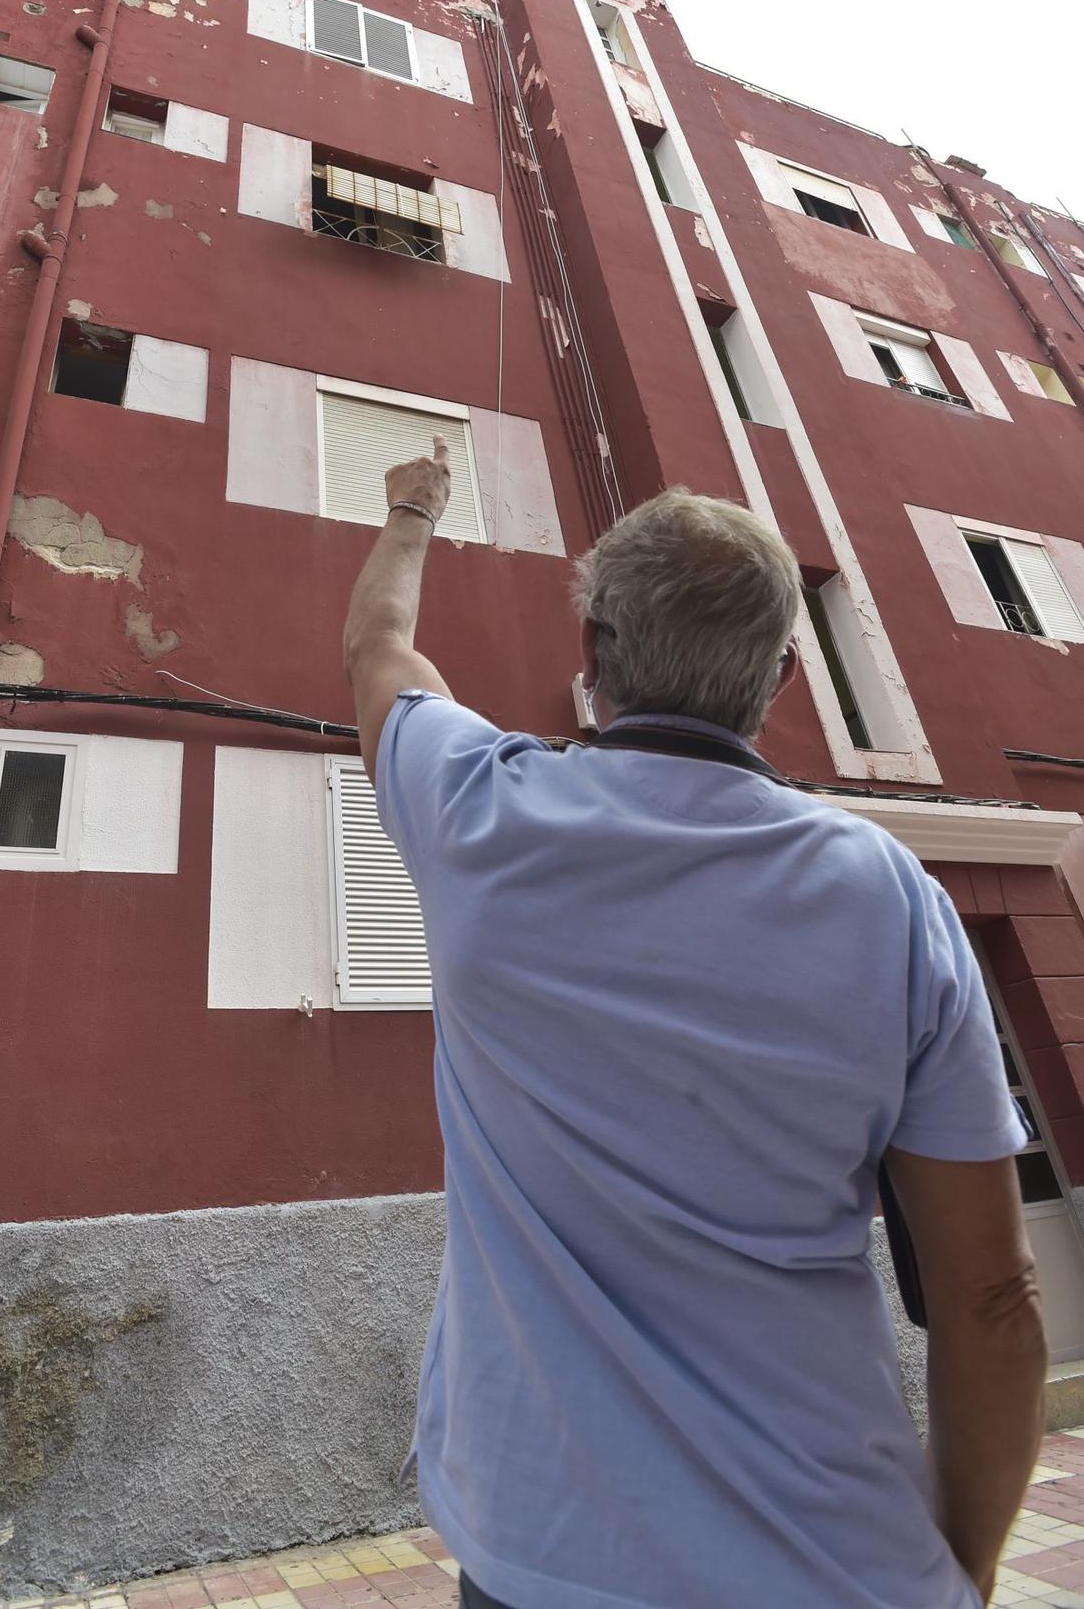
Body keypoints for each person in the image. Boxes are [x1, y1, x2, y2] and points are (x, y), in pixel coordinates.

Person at [342, 442, 1046, 1609]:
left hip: (540, 1562)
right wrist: (959, 1574)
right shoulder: (888, 894)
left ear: (591, 657)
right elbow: (991, 1298)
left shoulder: (475, 809)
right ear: (779, 676)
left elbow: (377, 649)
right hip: (834, 1565)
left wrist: (411, 509)